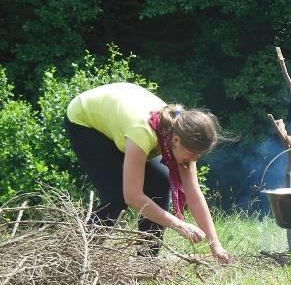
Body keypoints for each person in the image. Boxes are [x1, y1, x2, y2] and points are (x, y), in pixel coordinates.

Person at [64, 82, 230, 262]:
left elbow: (194, 195)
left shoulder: (183, 139)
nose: (193, 161)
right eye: (192, 155)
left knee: (160, 182)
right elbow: (132, 196)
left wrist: (216, 246)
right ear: (175, 139)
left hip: (122, 118)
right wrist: (179, 225)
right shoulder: (143, 132)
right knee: (116, 198)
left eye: (198, 157)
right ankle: (76, 258)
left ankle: (145, 263)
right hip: (85, 120)